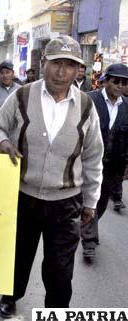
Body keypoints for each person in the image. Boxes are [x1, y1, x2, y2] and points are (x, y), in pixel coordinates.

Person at [0, 36, 103, 317]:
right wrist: (2, 143)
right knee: (19, 255)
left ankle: (57, 312)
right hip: (23, 197)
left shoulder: (86, 106)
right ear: (43, 63)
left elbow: (93, 157)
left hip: (66, 202)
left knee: (60, 267)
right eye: (56, 64)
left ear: (78, 71)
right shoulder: (23, 96)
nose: (62, 72)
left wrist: (91, 201)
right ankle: (10, 296)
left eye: (70, 65)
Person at [81, 63, 128, 260]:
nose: (119, 85)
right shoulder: (89, 100)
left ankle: (90, 227)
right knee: (88, 199)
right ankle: (88, 241)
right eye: (115, 81)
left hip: (113, 164)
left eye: (124, 82)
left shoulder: (127, 106)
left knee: (100, 203)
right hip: (89, 162)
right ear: (105, 81)